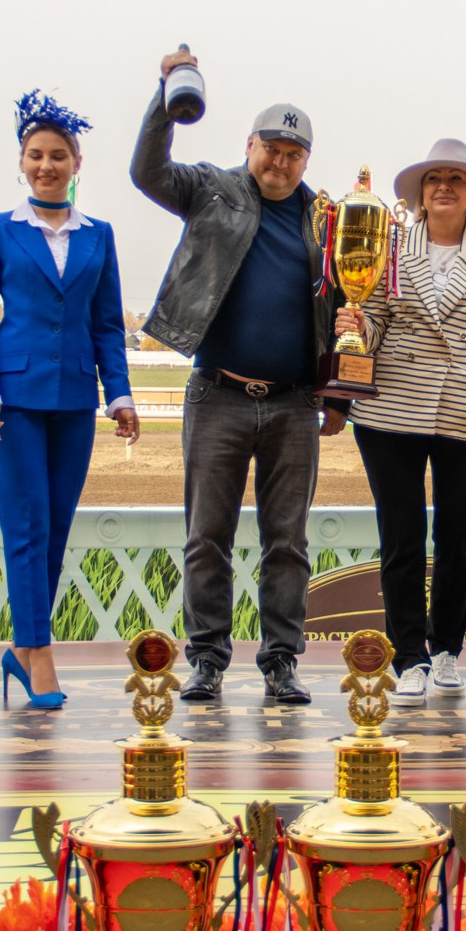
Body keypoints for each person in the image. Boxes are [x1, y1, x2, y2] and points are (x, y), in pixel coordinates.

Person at [131, 47, 345, 705]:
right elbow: (147, 170)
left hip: (292, 404)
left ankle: (281, 662)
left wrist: (340, 395)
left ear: (306, 159)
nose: (280, 162)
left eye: (293, 153)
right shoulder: (211, 189)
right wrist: (165, 92)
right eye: (270, 148)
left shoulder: (326, 220)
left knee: (287, 542)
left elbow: (344, 308)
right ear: (249, 145)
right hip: (217, 393)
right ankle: (207, 661)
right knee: (207, 539)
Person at [0, 92, 140, 709]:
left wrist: (118, 394)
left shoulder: (99, 236)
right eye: (36, 155)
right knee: (25, 525)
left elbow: (106, 324)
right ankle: (37, 654)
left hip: (74, 401)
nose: (46, 165)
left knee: (56, 527)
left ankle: (22, 645)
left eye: (58, 155)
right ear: (21, 161)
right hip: (12, 401)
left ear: (77, 162)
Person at [338, 138, 466, 704]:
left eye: (456, 179)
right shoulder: (387, 244)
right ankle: (409, 655)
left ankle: (445, 649)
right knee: (401, 535)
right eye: (434, 178)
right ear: (420, 193)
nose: (443, 186)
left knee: (458, 538)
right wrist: (353, 324)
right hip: (391, 407)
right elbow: (372, 321)